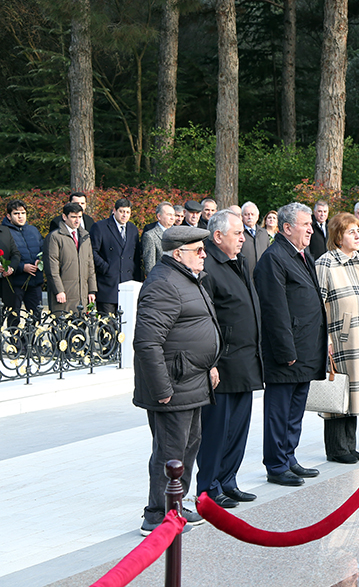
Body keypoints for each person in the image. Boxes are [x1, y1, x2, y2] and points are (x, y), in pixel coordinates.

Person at [133, 225, 219, 535]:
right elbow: (146, 342)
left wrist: (210, 364)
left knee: (188, 447)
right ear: (178, 253)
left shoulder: (185, 278)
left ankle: (177, 505)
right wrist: (162, 390)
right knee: (170, 452)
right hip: (173, 386)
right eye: (198, 250)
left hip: (192, 382)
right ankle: (158, 515)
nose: (204, 254)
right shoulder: (163, 283)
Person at [254, 202, 326, 486]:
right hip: (287, 352)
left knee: (295, 410)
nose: (311, 229)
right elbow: (274, 309)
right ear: (286, 228)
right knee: (279, 411)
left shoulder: (301, 254)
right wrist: (286, 351)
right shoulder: (274, 258)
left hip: (305, 348)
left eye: (311, 224)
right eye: (305, 225)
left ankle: (289, 456)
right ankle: (276, 464)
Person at [196, 210, 263, 508]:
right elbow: (205, 318)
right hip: (223, 362)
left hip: (245, 359)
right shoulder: (208, 265)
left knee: (238, 427)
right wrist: (211, 361)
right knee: (217, 429)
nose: (242, 237)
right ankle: (209, 486)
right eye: (237, 233)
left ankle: (228, 480)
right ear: (217, 236)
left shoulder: (239, 260)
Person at [316, 213, 359, 461]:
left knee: (356, 391)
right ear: (338, 236)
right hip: (341, 337)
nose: (357, 235)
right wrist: (326, 340)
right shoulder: (325, 264)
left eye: (358, 230)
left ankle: (350, 444)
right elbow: (318, 306)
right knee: (340, 391)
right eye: (350, 232)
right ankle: (337, 449)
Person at [90, 198, 142, 313]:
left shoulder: (133, 229)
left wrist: (137, 280)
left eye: (128, 212)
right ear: (114, 211)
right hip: (107, 284)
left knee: (126, 325)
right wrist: (106, 268)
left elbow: (135, 256)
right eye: (122, 211)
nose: (125, 215)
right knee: (108, 325)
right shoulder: (100, 227)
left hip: (128, 284)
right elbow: (92, 252)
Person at [45, 202, 96, 313]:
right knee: (64, 328)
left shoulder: (85, 236)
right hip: (64, 294)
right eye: (73, 217)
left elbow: (90, 265)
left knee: (81, 328)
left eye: (79, 217)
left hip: (82, 295)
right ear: (64, 217)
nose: (77, 220)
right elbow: (52, 267)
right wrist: (59, 290)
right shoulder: (55, 237)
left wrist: (92, 290)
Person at [2, 200, 42, 324]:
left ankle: (30, 343)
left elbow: (43, 249)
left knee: (36, 318)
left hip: (35, 281)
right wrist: (21, 267)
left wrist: (40, 261)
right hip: (15, 283)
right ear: (9, 216)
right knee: (14, 318)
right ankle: (15, 343)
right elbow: (4, 257)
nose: (20, 216)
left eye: (23, 213)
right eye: (16, 213)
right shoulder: (3, 232)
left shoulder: (33, 230)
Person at [142, 203, 175, 276]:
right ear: (159, 216)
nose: (172, 218)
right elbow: (150, 266)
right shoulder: (150, 236)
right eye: (169, 215)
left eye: (173, 215)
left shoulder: (178, 233)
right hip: (161, 279)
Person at [240, 201, 269, 278]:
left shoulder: (264, 233)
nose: (250, 217)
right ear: (242, 216)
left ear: (257, 216)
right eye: (246, 214)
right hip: (245, 276)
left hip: (263, 276)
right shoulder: (239, 233)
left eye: (252, 214)